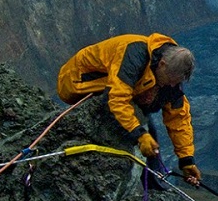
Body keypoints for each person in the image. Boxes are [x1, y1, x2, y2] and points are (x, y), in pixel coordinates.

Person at [57, 33, 202, 186]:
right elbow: (116, 99)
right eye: (171, 80)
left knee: (147, 127)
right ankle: (142, 178)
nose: (172, 85)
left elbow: (178, 119)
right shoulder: (133, 54)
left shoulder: (169, 74)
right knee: (139, 122)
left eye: (176, 82)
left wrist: (186, 160)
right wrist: (139, 134)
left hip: (121, 88)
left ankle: (152, 180)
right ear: (162, 64)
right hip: (79, 82)